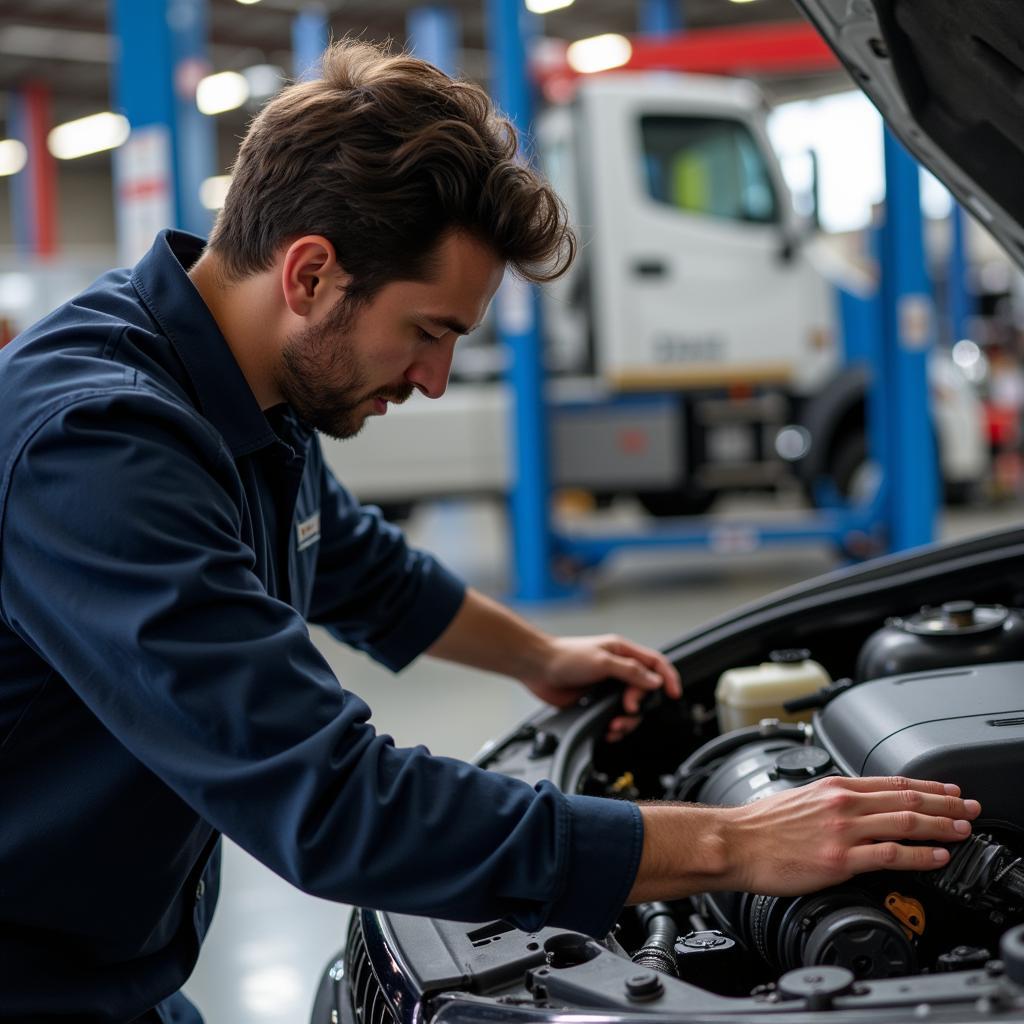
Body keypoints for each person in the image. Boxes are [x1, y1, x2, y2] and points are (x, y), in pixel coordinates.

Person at [0, 40, 979, 1024]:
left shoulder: (247, 388)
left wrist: (539, 656)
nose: (431, 378)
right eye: (430, 330)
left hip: (108, 968)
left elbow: (344, 555)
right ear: (308, 274)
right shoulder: (95, 446)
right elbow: (335, 804)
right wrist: (732, 842)